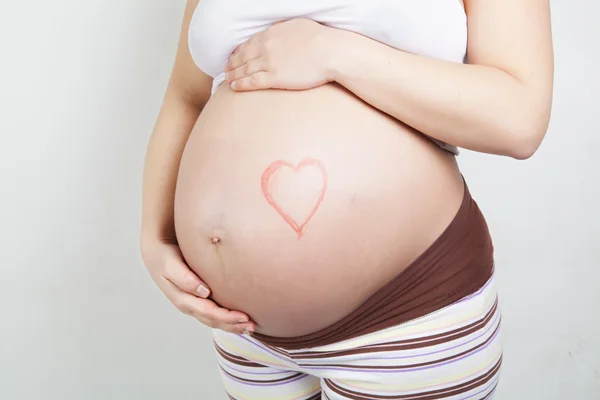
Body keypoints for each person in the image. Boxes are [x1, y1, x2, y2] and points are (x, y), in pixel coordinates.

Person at [140, 0, 554, 398]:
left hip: (405, 314)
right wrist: (153, 236)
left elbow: (520, 119)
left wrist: (336, 53)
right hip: (246, 336)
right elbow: (186, 96)